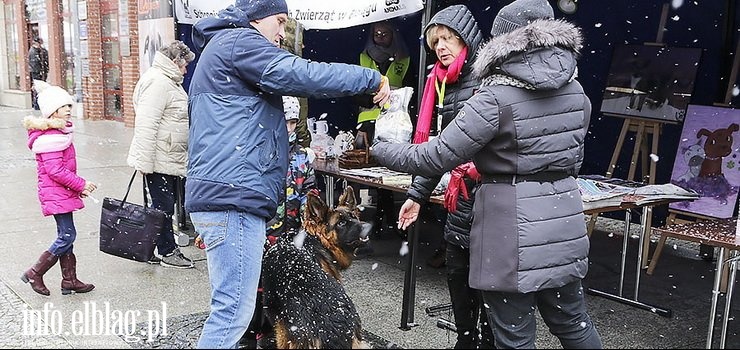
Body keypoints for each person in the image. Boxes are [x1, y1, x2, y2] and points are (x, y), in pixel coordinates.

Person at [371, 0, 603, 348]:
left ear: (502, 41)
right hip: (563, 220)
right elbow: (570, 158)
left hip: (510, 229)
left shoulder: (494, 96)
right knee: (574, 325)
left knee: (513, 336)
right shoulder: (577, 93)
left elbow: (436, 155)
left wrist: (382, 147)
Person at [185, 0, 391, 347]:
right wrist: (368, 77)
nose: (282, 33)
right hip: (233, 196)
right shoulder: (240, 42)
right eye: (279, 21)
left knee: (231, 308)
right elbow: (304, 74)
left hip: (228, 193)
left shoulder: (224, 46)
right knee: (232, 312)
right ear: (256, 17)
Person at [393, 4, 492, 348]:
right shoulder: (441, 83)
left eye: (448, 39)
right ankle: (466, 339)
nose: (441, 48)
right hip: (460, 197)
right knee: (457, 273)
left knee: (490, 284)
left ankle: (489, 341)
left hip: (491, 199)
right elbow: (441, 149)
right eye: (436, 42)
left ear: (466, 40)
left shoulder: (486, 79)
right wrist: (417, 195)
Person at [241, 96, 318, 349]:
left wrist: (310, 223)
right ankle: (251, 331)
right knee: (257, 285)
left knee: (287, 285)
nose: (288, 128)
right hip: (263, 231)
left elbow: (310, 192)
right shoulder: (258, 152)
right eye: (284, 121)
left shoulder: (303, 158)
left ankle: (281, 330)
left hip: (293, 234)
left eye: (293, 122)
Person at [21, 80, 97, 296]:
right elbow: (56, 171)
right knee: (67, 236)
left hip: (60, 192)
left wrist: (76, 188)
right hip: (56, 193)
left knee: (66, 234)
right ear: (53, 111)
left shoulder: (59, 133)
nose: (68, 111)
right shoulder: (51, 138)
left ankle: (69, 280)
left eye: (70, 106)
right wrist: (81, 184)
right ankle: (35, 272)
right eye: (64, 107)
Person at [127, 40, 196, 269]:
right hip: (159, 158)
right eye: (184, 65)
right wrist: (145, 163)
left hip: (167, 156)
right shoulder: (158, 82)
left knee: (164, 205)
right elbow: (147, 124)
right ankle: (167, 251)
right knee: (163, 206)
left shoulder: (167, 81)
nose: (186, 70)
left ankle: (154, 247)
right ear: (175, 62)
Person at [355, 20, 413, 238]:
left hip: (394, 124)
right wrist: (376, 96)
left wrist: (393, 96)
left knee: (393, 172)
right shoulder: (363, 57)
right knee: (372, 174)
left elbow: (411, 90)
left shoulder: (405, 59)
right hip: (368, 122)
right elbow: (355, 92)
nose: (380, 36)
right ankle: (380, 217)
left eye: (384, 33)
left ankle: (390, 218)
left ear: (393, 35)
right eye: (376, 33)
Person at [28, 37, 49, 110]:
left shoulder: (40, 51)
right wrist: (39, 73)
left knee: (40, 88)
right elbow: (35, 64)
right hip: (37, 74)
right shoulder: (33, 52)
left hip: (40, 73)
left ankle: (38, 104)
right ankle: (37, 104)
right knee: (38, 88)